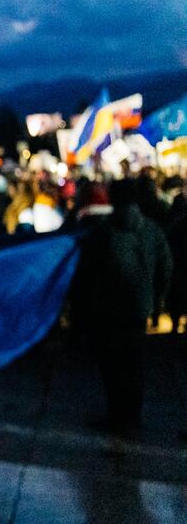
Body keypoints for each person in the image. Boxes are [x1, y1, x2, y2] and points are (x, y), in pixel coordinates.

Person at [71, 178, 171, 434]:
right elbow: (166, 268)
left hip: (108, 308)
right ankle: (132, 415)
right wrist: (157, 301)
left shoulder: (103, 232)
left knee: (112, 363)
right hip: (138, 307)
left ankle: (116, 414)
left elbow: (87, 272)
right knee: (134, 363)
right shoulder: (152, 230)